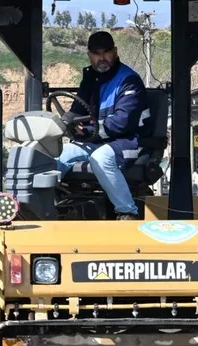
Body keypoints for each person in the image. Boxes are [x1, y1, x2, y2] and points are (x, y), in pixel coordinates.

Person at [58, 31, 148, 220]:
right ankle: (47, 208)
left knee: (101, 158)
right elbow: (77, 109)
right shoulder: (91, 79)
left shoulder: (129, 80)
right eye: (97, 54)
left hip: (132, 142)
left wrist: (89, 131)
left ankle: (127, 212)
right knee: (60, 154)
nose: (102, 58)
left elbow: (122, 123)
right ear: (89, 55)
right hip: (98, 140)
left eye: (106, 52)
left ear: (115, 52)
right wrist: (66, 122)